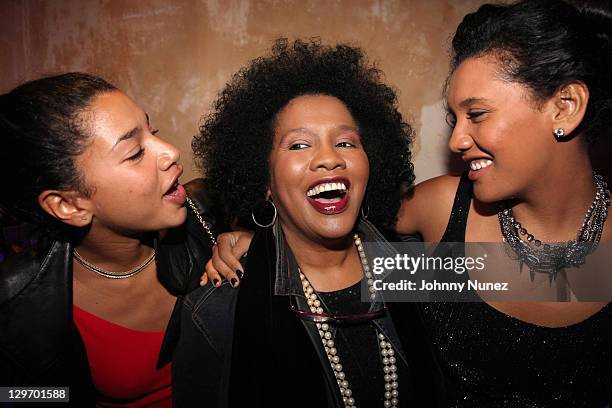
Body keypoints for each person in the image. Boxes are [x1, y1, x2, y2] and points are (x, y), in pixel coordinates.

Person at [208, 1, 612, 406]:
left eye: (477, 113)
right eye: (455, 119)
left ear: (565, 106)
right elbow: (337, 222)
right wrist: (256, 239)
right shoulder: (441, 211)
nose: (455, 141)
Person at [172, 38, 446, 407]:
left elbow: (540, 282)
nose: (328, 159)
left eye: (346, 143)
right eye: (299, 145)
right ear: (263, 180)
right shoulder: (216, 309)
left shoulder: (419, 268)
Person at [0, 73, 220, 407]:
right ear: (69, 205)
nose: (171, 152)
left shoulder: (213, 213)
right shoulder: (17, 302)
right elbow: (11, 395)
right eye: (135, 153)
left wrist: (252, 240)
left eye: (154, 132)